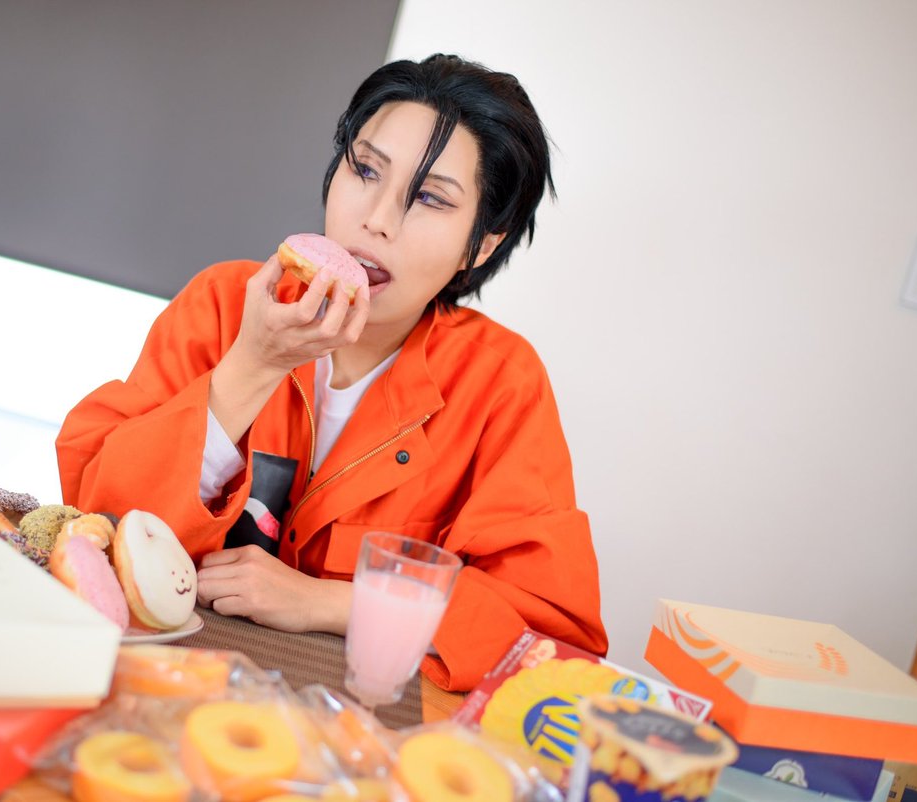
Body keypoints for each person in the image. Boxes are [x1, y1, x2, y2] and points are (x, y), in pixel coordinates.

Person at [56, 54, 607, 691]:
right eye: (365, 169)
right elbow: (96, 527)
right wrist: (253, 365)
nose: (376, 219)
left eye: (430, 198)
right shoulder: (223, 305)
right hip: (156, 683)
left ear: (481, 245)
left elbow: (550, 637)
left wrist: (331, 603)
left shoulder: (500, 383)